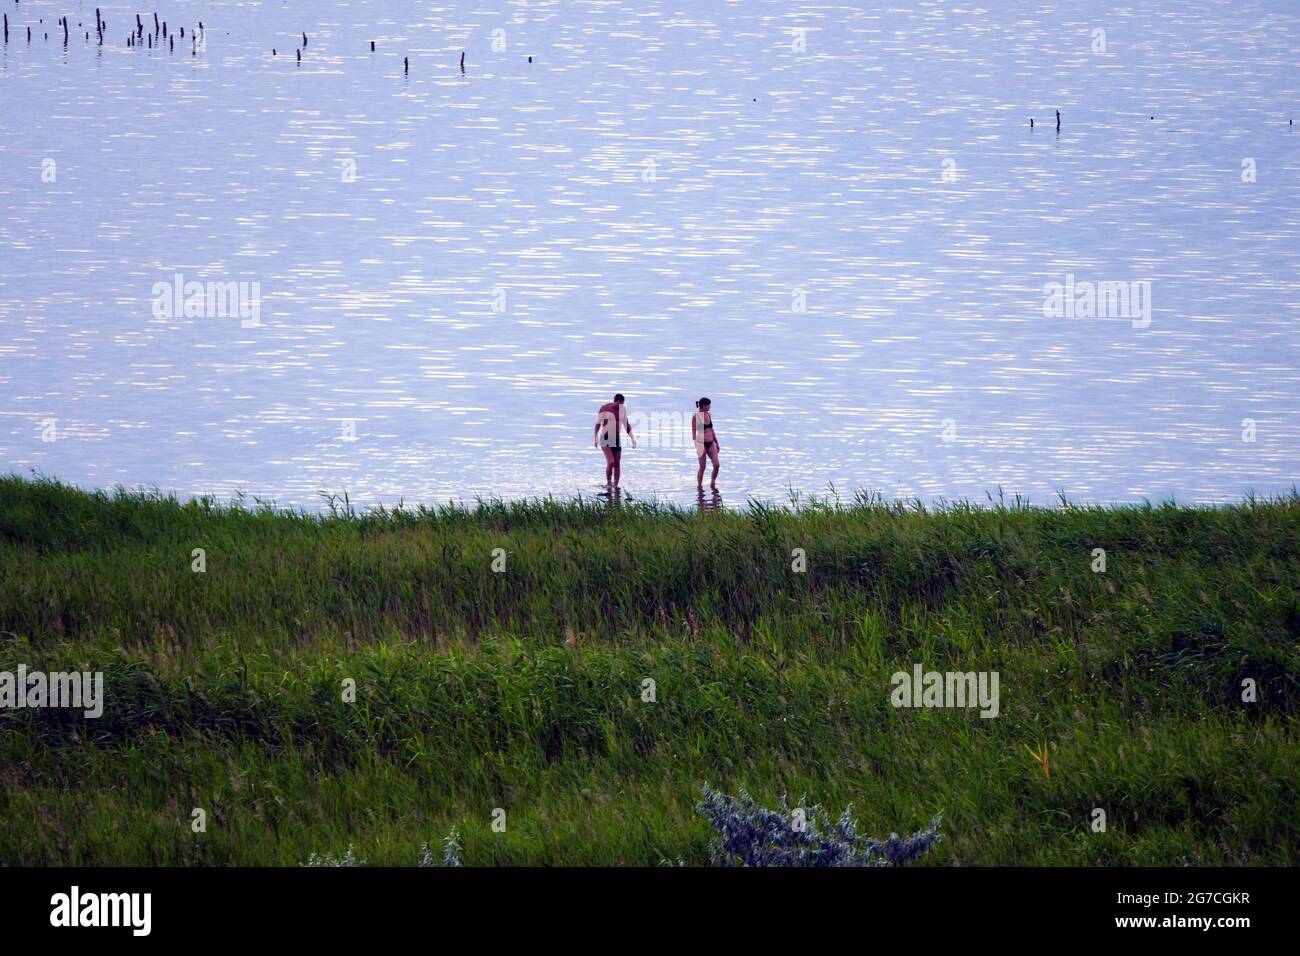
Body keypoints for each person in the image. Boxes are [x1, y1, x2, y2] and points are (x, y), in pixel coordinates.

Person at [594, 393, 636, 487]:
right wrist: (595, 437)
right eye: (619, 404)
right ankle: (609, 483)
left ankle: (616, 485)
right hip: (606, 437)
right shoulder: (605, 408)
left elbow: (626, 424)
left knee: (617, 463)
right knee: (611, 461)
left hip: (616, 438)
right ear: (615, 401)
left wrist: (632, 438)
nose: (620, 406)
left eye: (622, 404)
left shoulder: (622, 410)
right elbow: (598, 424)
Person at [692, 396, 719, 490]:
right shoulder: (697, 417)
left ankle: (713, 482)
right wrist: (698, 445)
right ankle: (699, 486)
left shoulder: (708, 414)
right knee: (702, 467)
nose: (710, 406)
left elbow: (711, 429)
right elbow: (695, 433)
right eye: (708, 405)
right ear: (703, 406)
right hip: (701, 443)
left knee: (716, 464)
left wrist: (716, 442)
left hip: (711, 443)